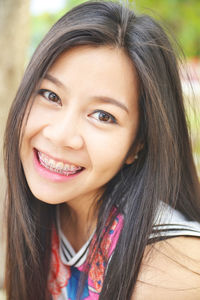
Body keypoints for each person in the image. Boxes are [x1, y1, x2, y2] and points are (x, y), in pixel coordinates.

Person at [3, 1, 200, 299]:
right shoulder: (43, 212)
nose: (61, 136)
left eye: (103, 116)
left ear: (137, 145)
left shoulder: (169, 271)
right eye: (50, 95)